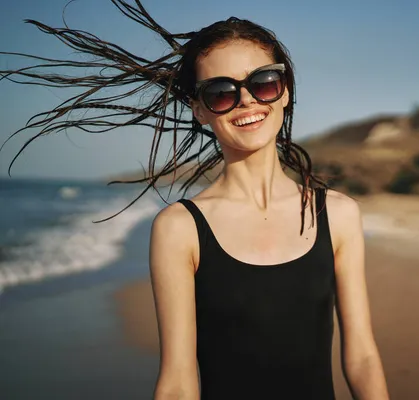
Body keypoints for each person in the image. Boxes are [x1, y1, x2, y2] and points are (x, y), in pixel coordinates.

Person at [1, 2, 388, 399]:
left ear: (284, 91)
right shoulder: (179, 228)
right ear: (200, 110)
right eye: (222, 92)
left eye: (263, 82)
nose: (247, 102)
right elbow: (178, 381)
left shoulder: (337, 214)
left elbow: (361, 357)